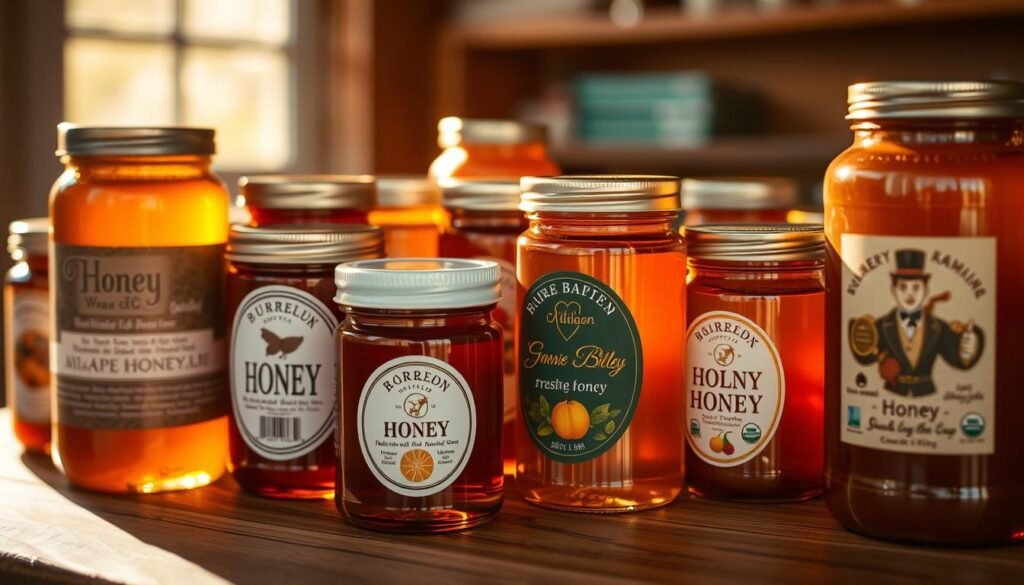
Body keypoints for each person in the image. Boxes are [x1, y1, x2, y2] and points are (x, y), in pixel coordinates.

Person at [849, 249, 983, 397]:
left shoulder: (938, 327)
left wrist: (968, 347)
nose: (910, 294)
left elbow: (955, 356)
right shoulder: (881, 326)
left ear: (926, 290)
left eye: (916, 287)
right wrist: (858, 328)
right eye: (903, 287)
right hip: (892, 393)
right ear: (893, 290)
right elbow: (864, 354)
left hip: (928, 393)